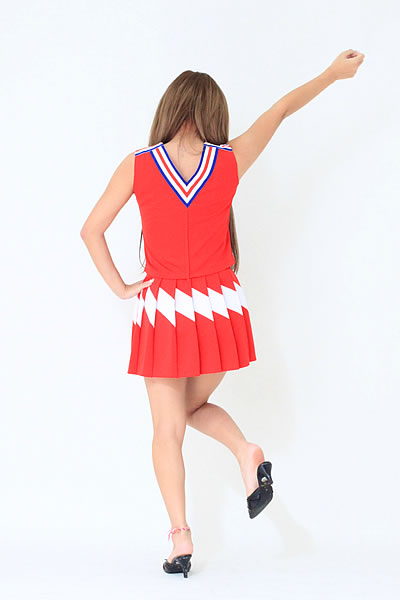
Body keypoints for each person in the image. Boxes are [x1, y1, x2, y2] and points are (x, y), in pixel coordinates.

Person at [80, 48, 365, 578]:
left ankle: (180, 538)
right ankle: (245, 450)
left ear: (170, 108)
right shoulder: (229, 160)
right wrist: (331, 73)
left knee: (167, 430)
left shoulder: (139, 165)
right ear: (214, 112)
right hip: (220, 310)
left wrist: (122, 288)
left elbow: (90, 230)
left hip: (166, 310)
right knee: (192, 409)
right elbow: (280, 110)